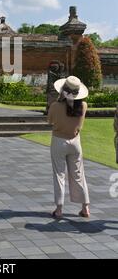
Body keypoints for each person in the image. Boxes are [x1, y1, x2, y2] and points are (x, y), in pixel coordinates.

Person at [48, 76, 90, 219]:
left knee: (59, 174)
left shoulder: (55, 106)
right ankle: (85, 207)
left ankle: (59, 209)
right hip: (75, 142)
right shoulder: (83, 106)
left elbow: (50, 121)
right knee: (78, 174)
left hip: (59, 141)